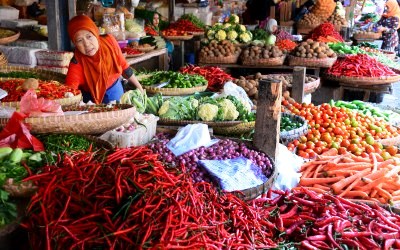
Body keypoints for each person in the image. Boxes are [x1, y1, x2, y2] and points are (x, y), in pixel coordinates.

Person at [65, 15, 143, 104]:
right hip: (91, 102)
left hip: (115, 91)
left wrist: (140, 88)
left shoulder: (109, 42)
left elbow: (124, 67)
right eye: (79, 40)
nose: (86, 44)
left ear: (95, 33)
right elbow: (70, 90)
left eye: (89, 36)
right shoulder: (76, 62)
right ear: (75, 44)